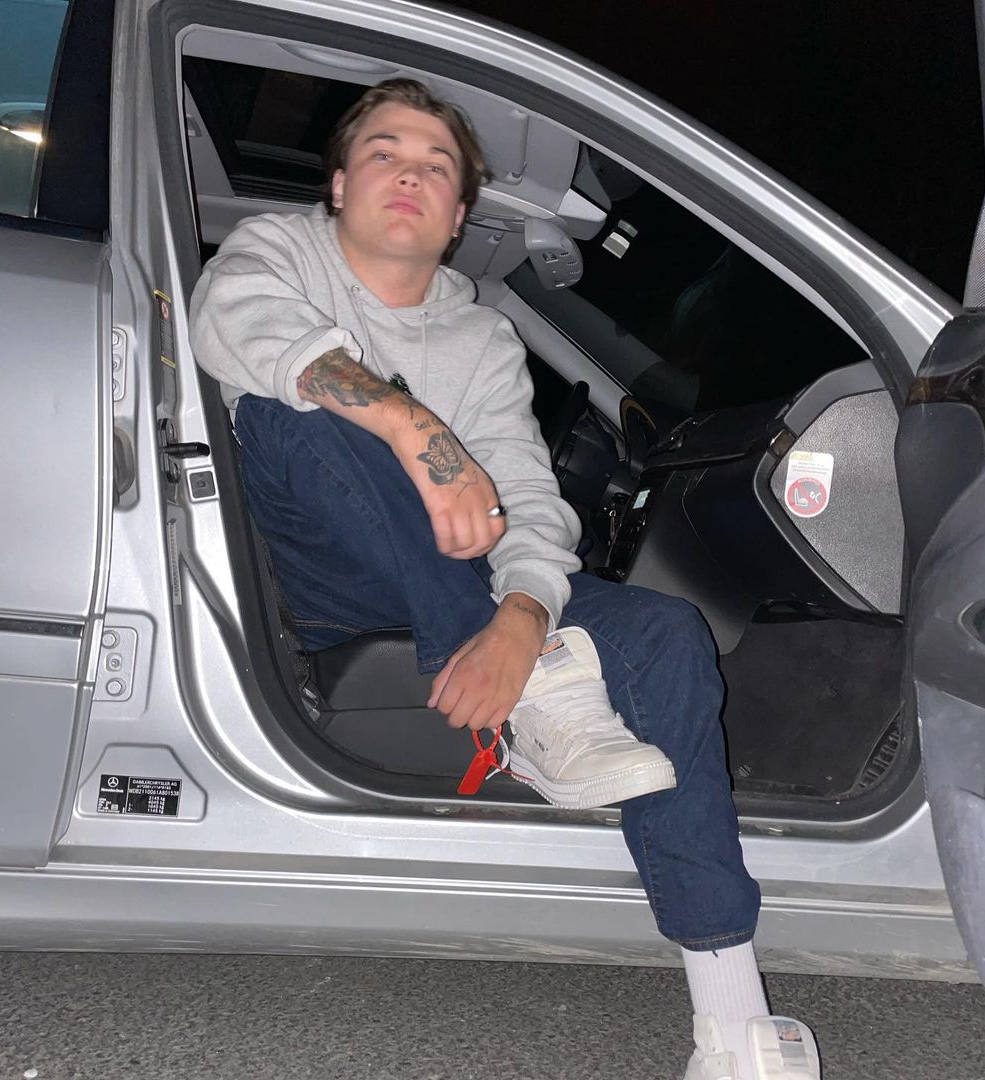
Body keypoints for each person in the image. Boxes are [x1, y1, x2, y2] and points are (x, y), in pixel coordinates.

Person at [190, 77, 820, 1080]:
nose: (411, 174)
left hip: (462, 581)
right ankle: (535, 705)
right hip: (336, 568)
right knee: (294, 409)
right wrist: (408, 422)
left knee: (666, 632)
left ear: (458, 216)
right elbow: (235, 321)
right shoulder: (279, 253)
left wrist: (524, 615)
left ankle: (729, 1018)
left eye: (437, 166)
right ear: (340, 184)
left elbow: (529, 498)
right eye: (386, 153)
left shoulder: (482, 337)